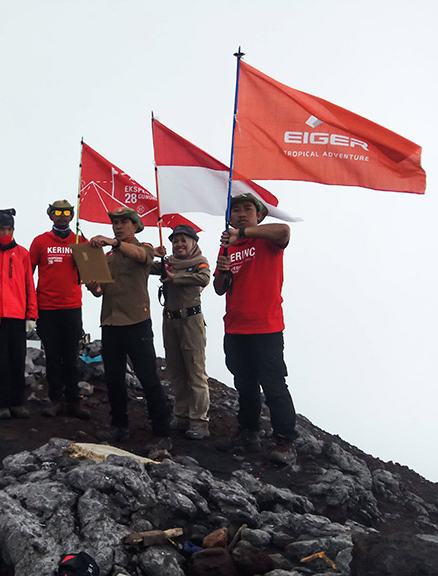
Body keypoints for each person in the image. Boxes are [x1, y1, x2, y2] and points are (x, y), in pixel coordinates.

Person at [214, 192, 298, 465]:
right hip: (235, 329)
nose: (240, 213)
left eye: (247, 208)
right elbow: (219, 288)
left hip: (266, 327)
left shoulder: (267, 240)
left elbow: (284, 231)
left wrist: (242, 233)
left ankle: (285, 440)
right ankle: (248, 432)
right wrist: (224, 270)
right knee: (245, 385)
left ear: (259, 215)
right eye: (236, 209)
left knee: (274, 385)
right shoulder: (227, 246)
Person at [85, 206, 172, 452]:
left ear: (135, 226)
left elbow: (144, 257)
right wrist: (94, 288)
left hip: (137, 323)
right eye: (115, 223)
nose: (118, 226)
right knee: (113, 379)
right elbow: (100, 289)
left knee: (148, 378)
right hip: (111, 323)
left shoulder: (143, 248)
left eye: (123, 222)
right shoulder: (109, 257)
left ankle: (162, 431)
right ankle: (119, 426)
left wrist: (113, 242)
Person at [29, 200, 89, 419]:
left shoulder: (80, 241)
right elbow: (28, 275)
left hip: (72, 307)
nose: (62, 216)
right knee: (52, 357)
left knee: (72, 356)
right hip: (47, 308)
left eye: (66, 212)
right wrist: (30, 307)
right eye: (57, 212)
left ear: (72, 216)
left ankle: (74, 400)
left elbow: (92, 274)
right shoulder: (40, 242)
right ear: (50, 215)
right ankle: (55, 399)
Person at [151, 224, 211, 440]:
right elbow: (147, 266)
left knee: (195, 371)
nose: (179, 244)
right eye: (175, 240)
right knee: (176, 370)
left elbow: (204, 278)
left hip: (191, 320)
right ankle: (182, 414)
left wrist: (175, 278)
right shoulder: (167, 263)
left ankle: (199, 420)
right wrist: (149, 251)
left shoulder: (198, 262)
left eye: (183, 240)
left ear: (193, 242)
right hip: (170, 321)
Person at [0, 209, 38, 419]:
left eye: (9, 228)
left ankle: (17, 402)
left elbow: (29, 284)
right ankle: (1, 404)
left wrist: (32, 315)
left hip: (18, 315)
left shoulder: (23, 254)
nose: (6, 232)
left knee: (18, 359)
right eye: (2, 229)